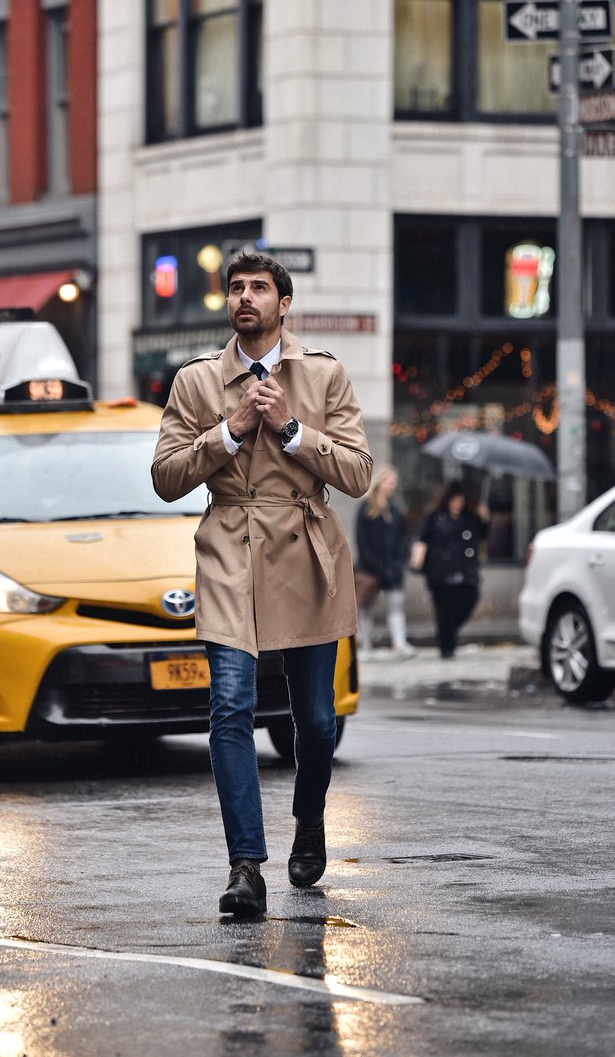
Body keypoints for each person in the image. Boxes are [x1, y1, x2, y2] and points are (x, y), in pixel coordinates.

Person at [151, 250, 372, 916]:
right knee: (229, 708)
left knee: (315, 718)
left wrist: (293, 431)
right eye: (236, 288)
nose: (245, 297)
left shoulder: (324, 376)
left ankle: (309, 818)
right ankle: (244, 865)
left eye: (259, 288)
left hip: (307, 552)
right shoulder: (195, 383)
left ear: (284, 303)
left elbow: (359, 473)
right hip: (228, 552)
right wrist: (230, 430)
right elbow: (165, 478)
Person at [411, 480, 489, 659]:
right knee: (443, 610)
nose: (457, 504)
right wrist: (418, 557)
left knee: (467, 602)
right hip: (440, 573)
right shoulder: (435, 517)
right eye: (454, 500)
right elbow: (421, 538)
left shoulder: (469, 518)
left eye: (460, 500)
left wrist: (484, 517)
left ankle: (448, 635)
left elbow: (482, 534)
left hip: (466, 573)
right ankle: (447, 648)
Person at [354, 465, 414, 656]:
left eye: (394, 483)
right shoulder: (366, 507)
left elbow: (401, 537)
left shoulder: (395, 508)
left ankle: (399, 642)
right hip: (369, 567)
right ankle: (364, 644)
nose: (392, 486)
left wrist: (400, 560)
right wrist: (372, 562)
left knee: (396, 605)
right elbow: (361, 538)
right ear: (380, 482)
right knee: (365, 607)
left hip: (392, 567)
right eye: (389, 482)